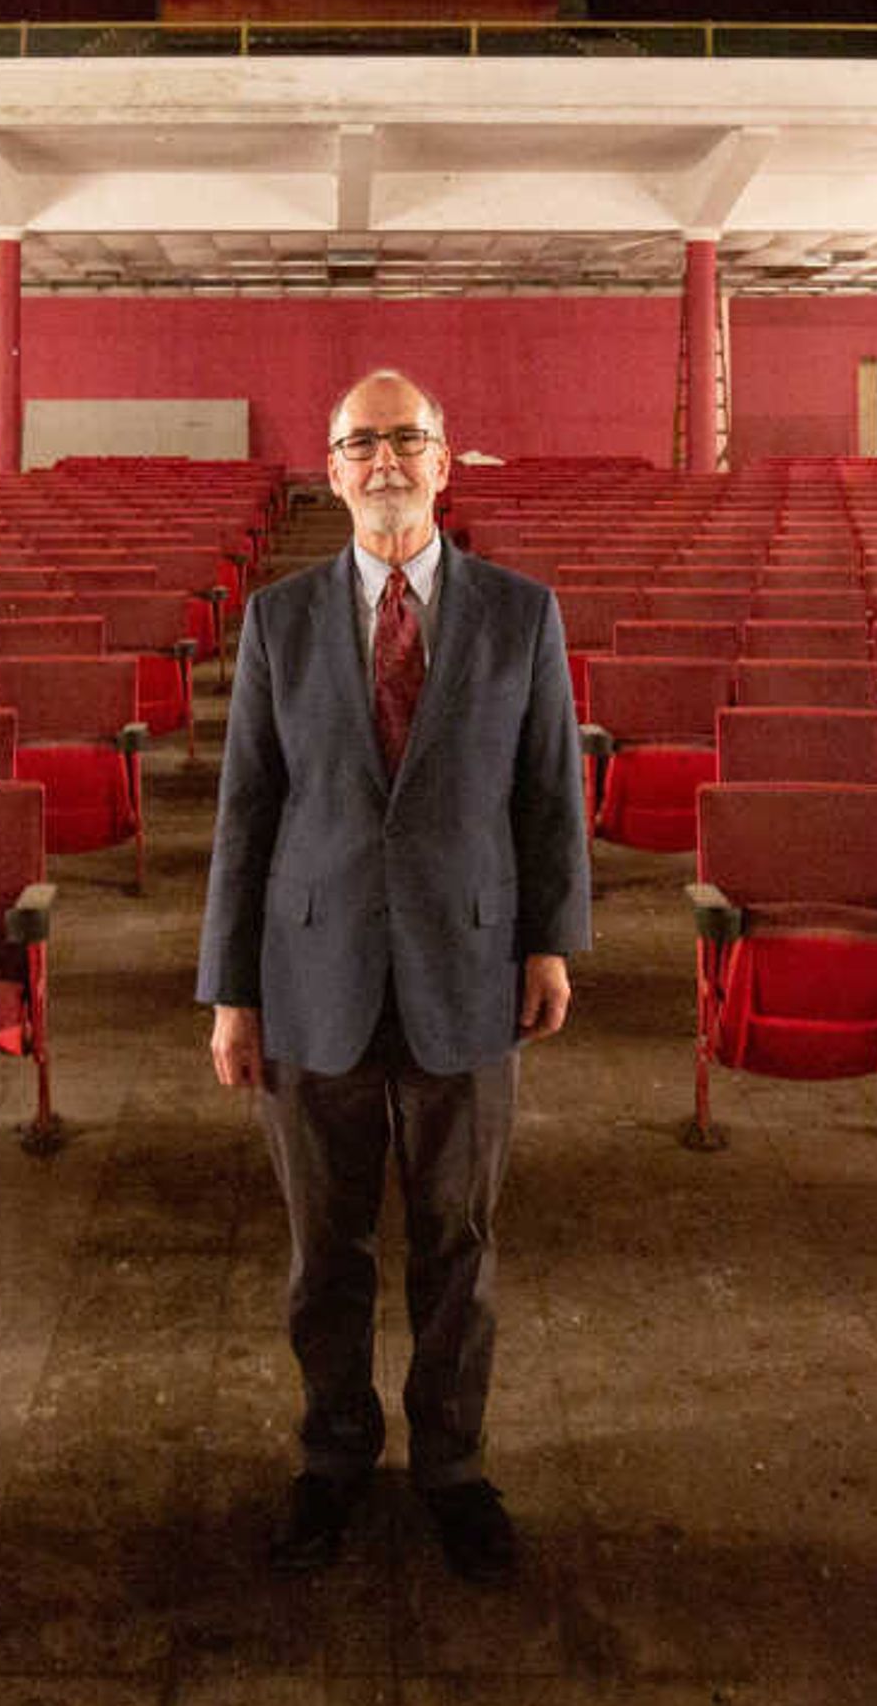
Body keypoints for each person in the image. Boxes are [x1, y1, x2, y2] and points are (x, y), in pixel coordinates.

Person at [197, 369, 591, 1581]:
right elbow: (248, 809)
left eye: (404, 438)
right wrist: (230, 987)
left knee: (458, 1249)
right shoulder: (279, 619)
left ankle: (453, 1465)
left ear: (444, 457)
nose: (384, 460)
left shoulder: (522, 614)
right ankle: (332, 1454)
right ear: (331, 468)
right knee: (326, 1254)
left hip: (466, 968)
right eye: (360, 442)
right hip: (310, 972)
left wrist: (549, 938)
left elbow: (548, 793)